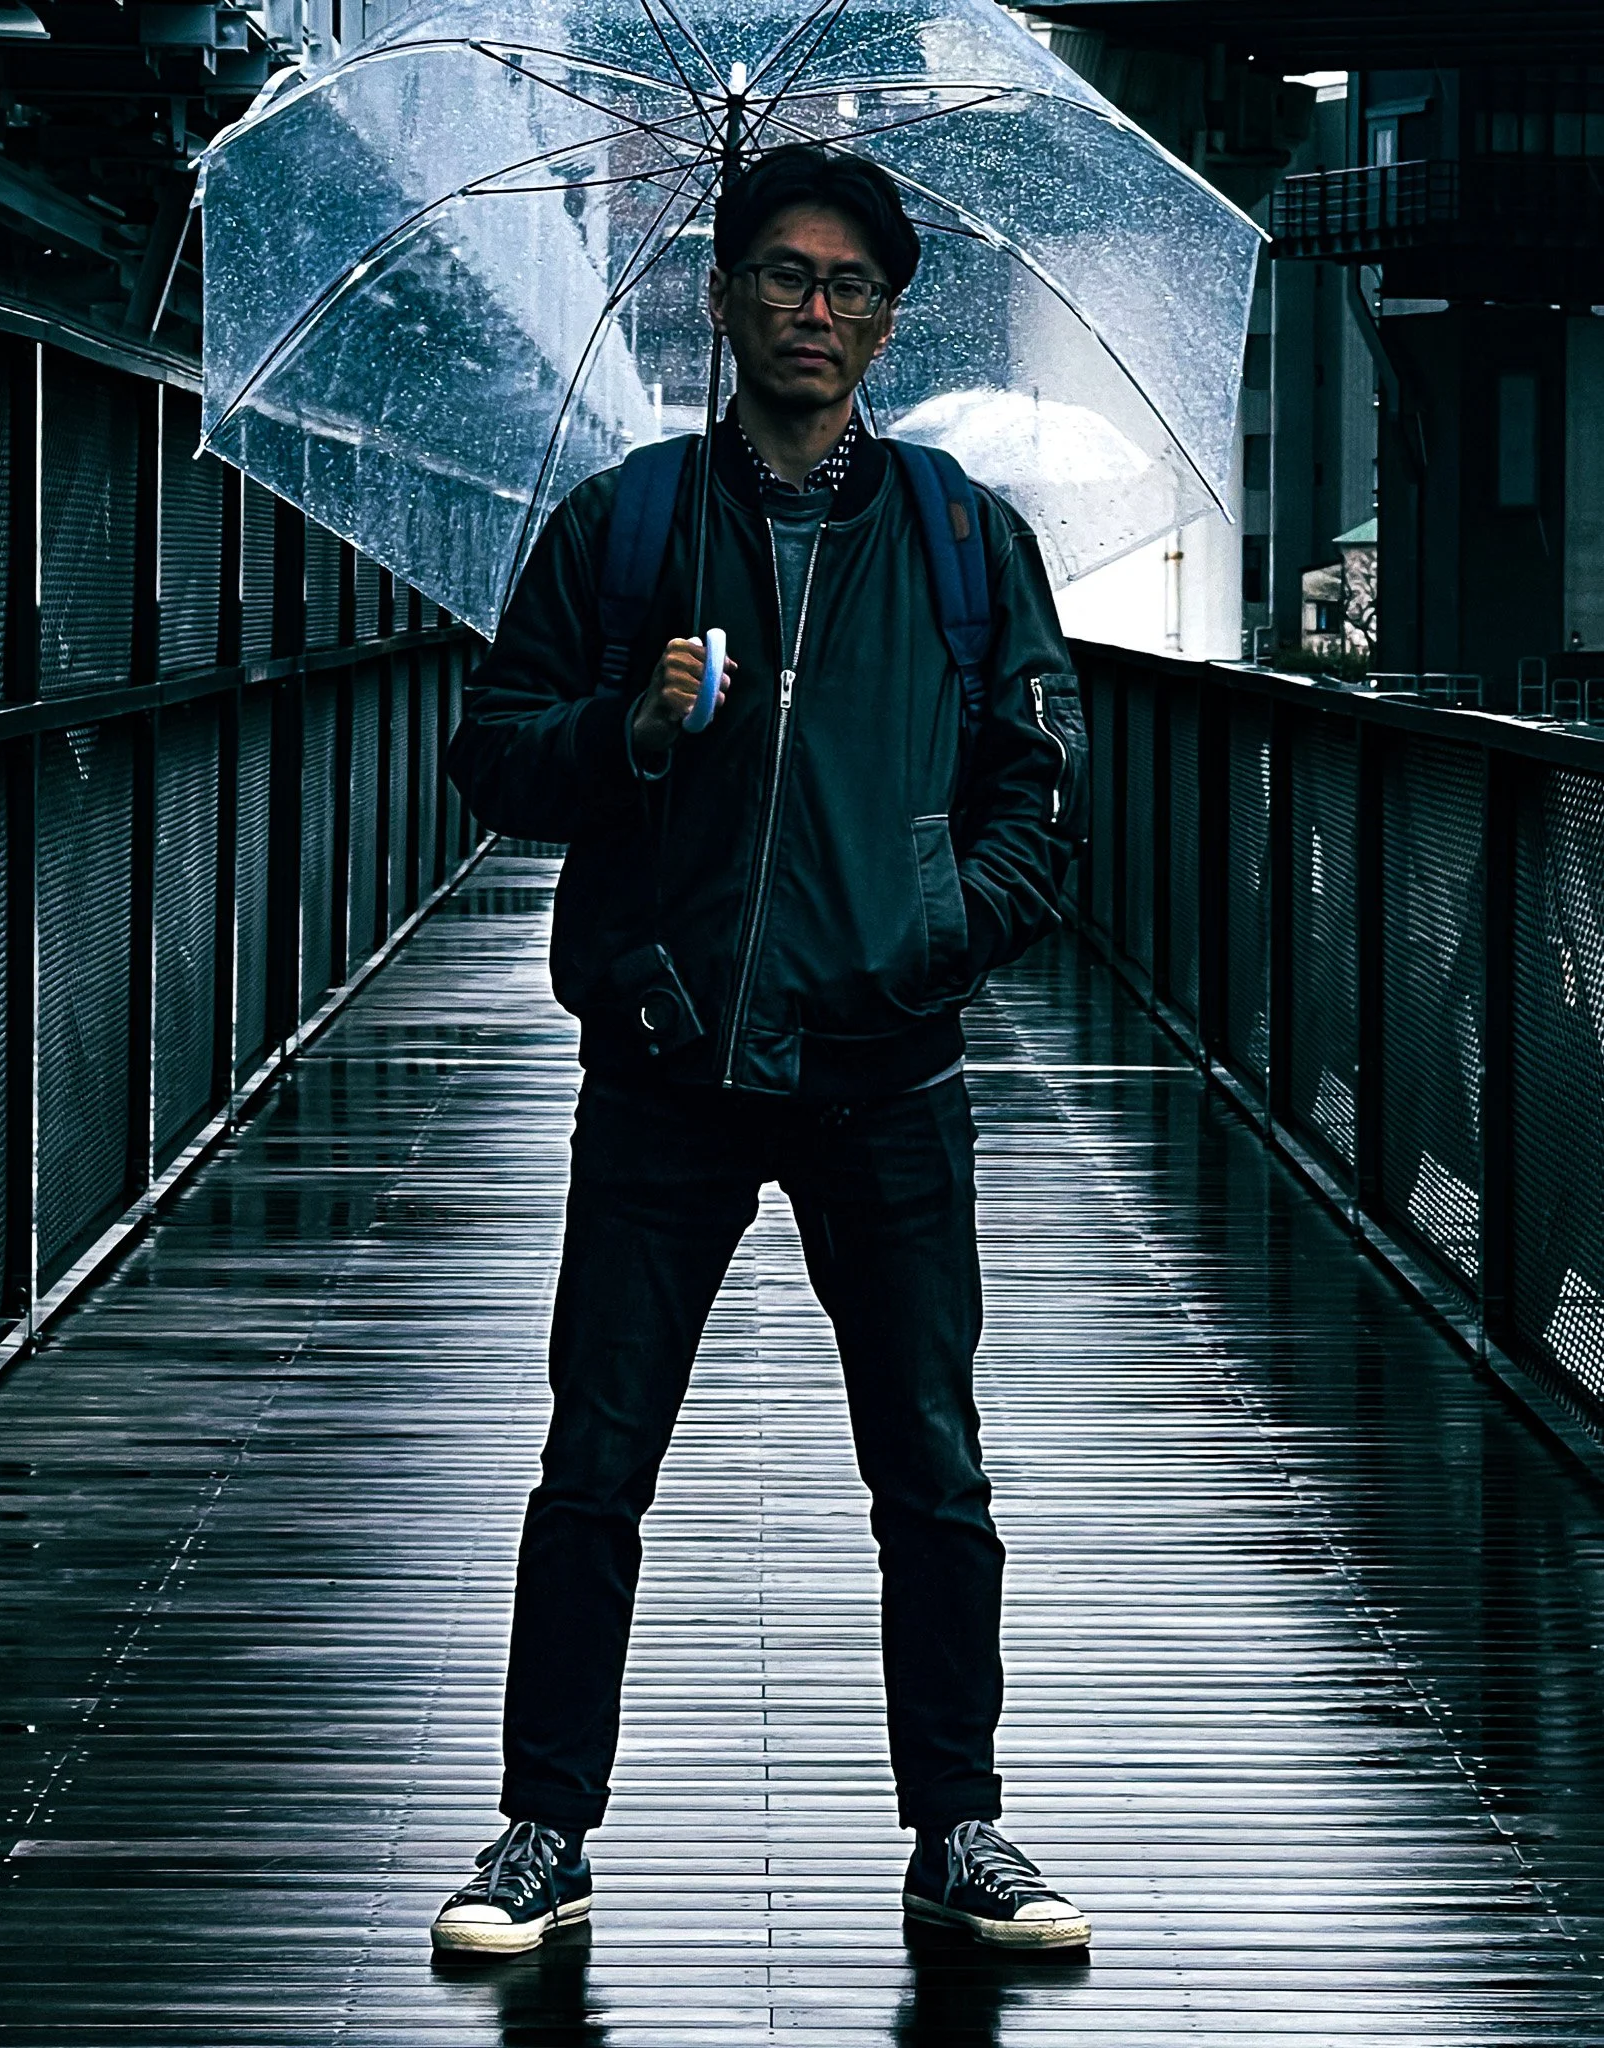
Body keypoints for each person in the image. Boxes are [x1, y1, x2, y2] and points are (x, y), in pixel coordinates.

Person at [438, 143, 1090, 1957]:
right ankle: (540, 1833)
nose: (818, 313)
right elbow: (489, 758)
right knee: (595, 1462)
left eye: (851, 289)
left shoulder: (963, 538)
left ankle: (957, 1826)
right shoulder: (626, 526)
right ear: (722, 296)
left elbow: (1040, 799)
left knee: (933, 1470)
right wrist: (628, 734)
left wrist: (934, 934)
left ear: (883, 321)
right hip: (661, 1061)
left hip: (885, 1070)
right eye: (786, 278)